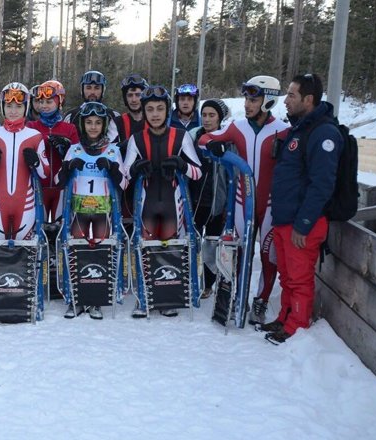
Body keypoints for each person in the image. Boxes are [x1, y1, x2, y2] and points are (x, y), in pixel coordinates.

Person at [198, 75, 291, 325]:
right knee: (238, 251)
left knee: (268, 254)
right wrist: (215, 148)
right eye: (247, 98)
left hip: (271, 204)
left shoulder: (282, 130)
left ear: (268, 100)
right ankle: (236, 296)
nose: (248, 104)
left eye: (254, 99)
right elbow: (205, 139)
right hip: (241, 201)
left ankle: (260, 300)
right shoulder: (237, 127)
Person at [264, 73, 342, 344]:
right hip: (286, 219)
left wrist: (304, 223)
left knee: (299, 278)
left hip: (302, 223)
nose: (286, 100)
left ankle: (297, 326)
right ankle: (285, 317)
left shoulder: (324, 133)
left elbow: (322, 184)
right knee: (286, 275)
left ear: (308, 100)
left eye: (292, 95)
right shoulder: (301, 128)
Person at [123, 85, 202, 317]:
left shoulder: (181, 136)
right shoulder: (136, 139)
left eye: (159, 108)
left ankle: (168, 298)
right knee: (144, 247)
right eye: (150, 109)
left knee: (169, 246)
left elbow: (198, 172)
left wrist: (182, 165)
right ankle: (144, 298)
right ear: (145, 112)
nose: (155, 113)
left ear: (167, 110)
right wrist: (136, 168)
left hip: (172, 202)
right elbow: (124, 176)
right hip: (147, 202)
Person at [56, 101, 126, 319]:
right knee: (76, 251)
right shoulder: (74, 149)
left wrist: (113, 169)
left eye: (97, 123)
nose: (93, 127)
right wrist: (68, 168)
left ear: (104, 125)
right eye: (89, 123)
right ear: (82, 125)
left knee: (100, 252)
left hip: (104, 210)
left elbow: (123, 184)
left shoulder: (113, 150)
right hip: (78, 211)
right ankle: (74, 299)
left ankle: (96, 299)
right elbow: (60, 181)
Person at [0, 82, 50, 240]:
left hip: (26, 203)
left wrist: (36, 162)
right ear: (2, 107)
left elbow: (45, 173)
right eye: (9, 106)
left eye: (18, 106)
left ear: (26, 107)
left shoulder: (34, 135)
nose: (13, 111)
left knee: (26, 252)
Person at [187, 99, 231, 298]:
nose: (207, 119)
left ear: (220, 118)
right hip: (194, 201)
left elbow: (232, 174)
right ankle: (189, 280)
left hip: (216, 203)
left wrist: (227, 205)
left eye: (212, 115)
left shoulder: (227, 140)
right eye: (204, 115)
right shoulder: (192, 136)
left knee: (211, 245)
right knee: (192, 242)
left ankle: (208, 284)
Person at [26, 80, 79, 223]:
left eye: (49, 102)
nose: (44, 106)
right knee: (38, 227)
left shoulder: (69, 129)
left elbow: (78, 156)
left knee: (60, 228)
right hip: (38, 185)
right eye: (40, 101)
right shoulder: (31, 126)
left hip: (61, 187)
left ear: (59, 101)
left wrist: (66, 148)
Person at [115, 74, 150, 226]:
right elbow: (109, 150)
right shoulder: (117, 122)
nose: (134, 99)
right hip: (125, 186)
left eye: (138, 95)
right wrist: (123, 146)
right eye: (130, 95)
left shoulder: (154, 121)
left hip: (149, 183)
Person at [63, 70, 120, 142]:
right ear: (82, 90)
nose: (92, 92)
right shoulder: (71, 116)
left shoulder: (113, 116)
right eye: (88, 88)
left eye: (97, 88)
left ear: (103, 90)